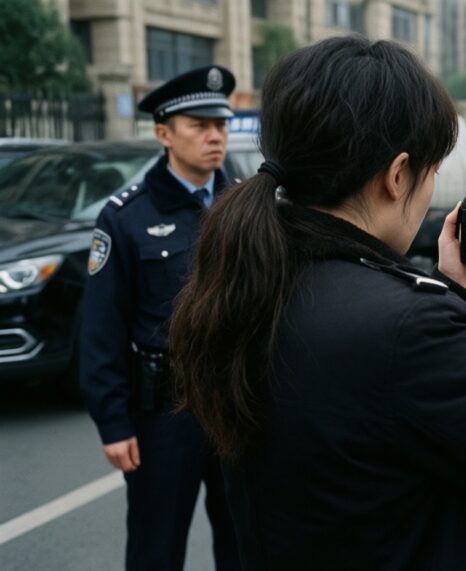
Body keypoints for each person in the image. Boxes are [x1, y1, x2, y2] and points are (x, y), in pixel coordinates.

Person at [166, 37, 466, 570]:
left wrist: (459, 298)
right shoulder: (404, 325)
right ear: (397, 173)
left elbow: (382, 420)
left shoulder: (248, 280)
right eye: (429, 172)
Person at [79, 65, 241, 570]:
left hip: (238, 405)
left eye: (220, 124)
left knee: (245, 543)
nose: (215, 136)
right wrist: (113, 422)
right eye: (199, 125)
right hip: (163, 414)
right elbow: (102, 327)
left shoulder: (246, 205)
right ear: (164, 133)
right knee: (156, 548)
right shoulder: (126, 216)